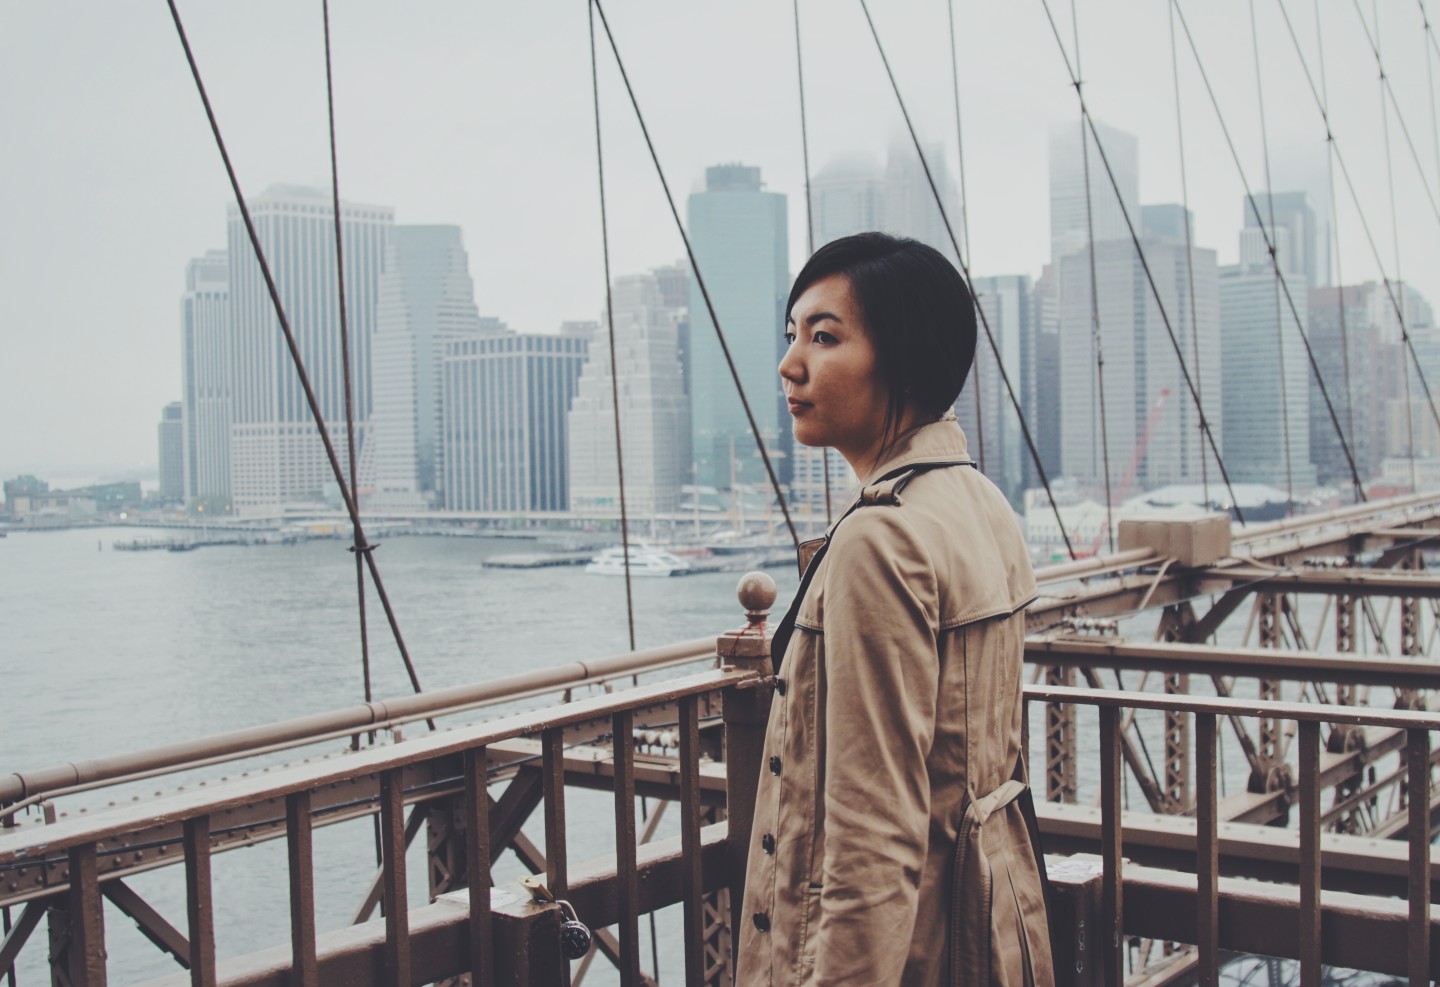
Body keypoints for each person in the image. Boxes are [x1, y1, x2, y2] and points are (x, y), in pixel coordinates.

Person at [736, 232, 1054, 986]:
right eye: (792, 336)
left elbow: (870, 836)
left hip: (906, 957)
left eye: (824, 336)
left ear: (902, 357)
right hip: (987, 937)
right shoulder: (981, 503)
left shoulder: (880, 540)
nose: (790, 365)